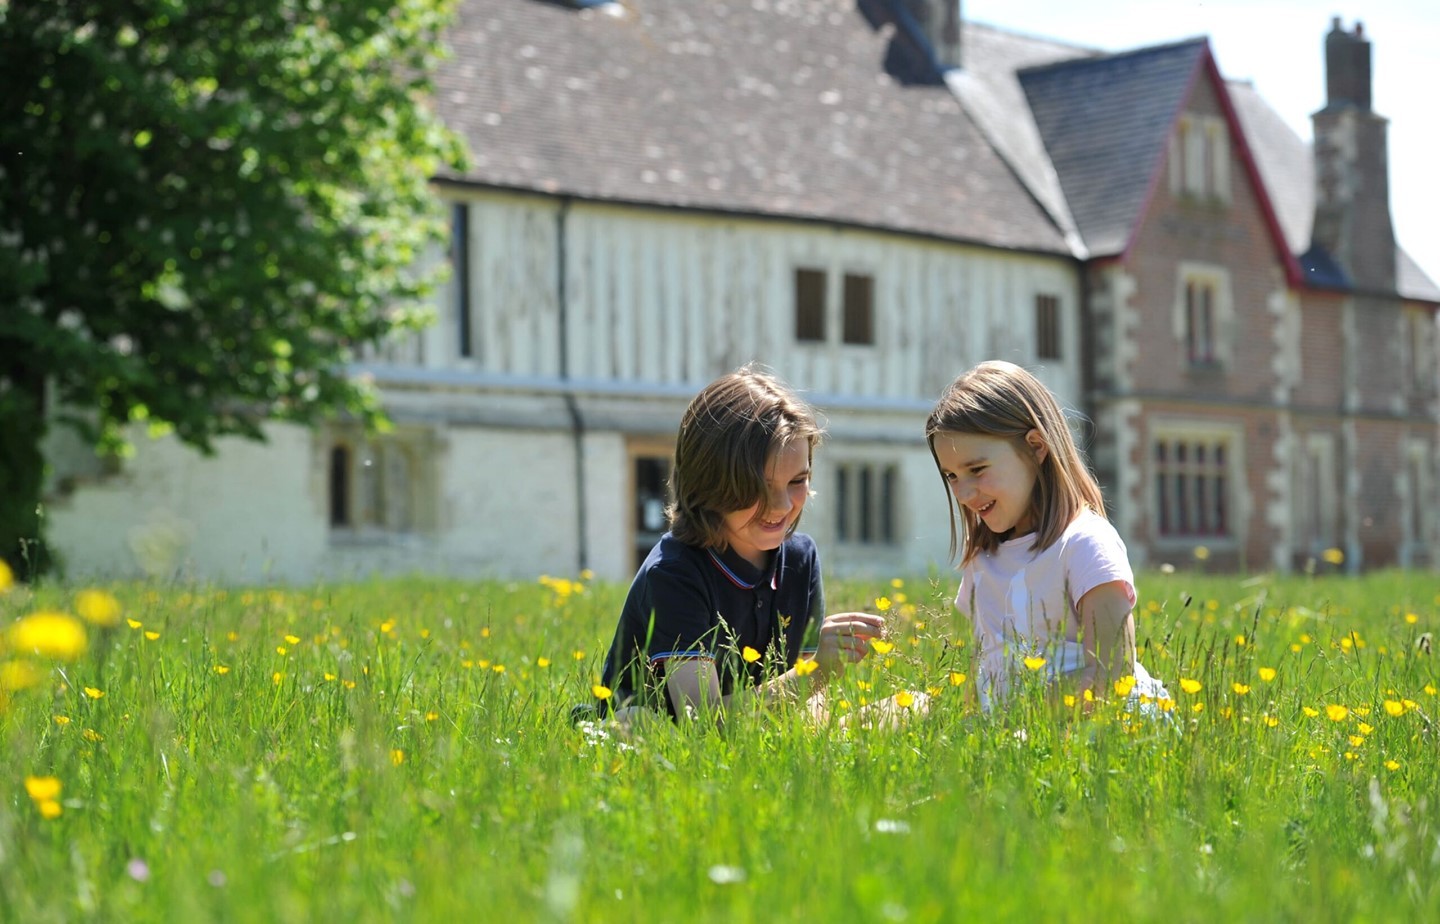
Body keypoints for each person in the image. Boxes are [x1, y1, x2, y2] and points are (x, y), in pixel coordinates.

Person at [586, 365, 883, 726]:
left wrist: (820, 690)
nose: (782, 506)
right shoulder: (675, 572)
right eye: (757, 487)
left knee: (913, 706)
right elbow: (702, 721)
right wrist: (817, 672)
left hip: (757, 727)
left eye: (798, 480)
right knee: (636, 725)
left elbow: (805, 705)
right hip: (662, 731)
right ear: (708, 482)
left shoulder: (801, 560)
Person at [924, 360, 1167, 711]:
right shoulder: (981, 562)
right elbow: (975, 681)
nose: (963, 493)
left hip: (1099, 731)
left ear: (1036, 446)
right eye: (952, 477)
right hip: (1015, 739)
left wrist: (1017, 717)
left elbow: (1112, 677)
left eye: (977, 470)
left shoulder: (1084, 546)